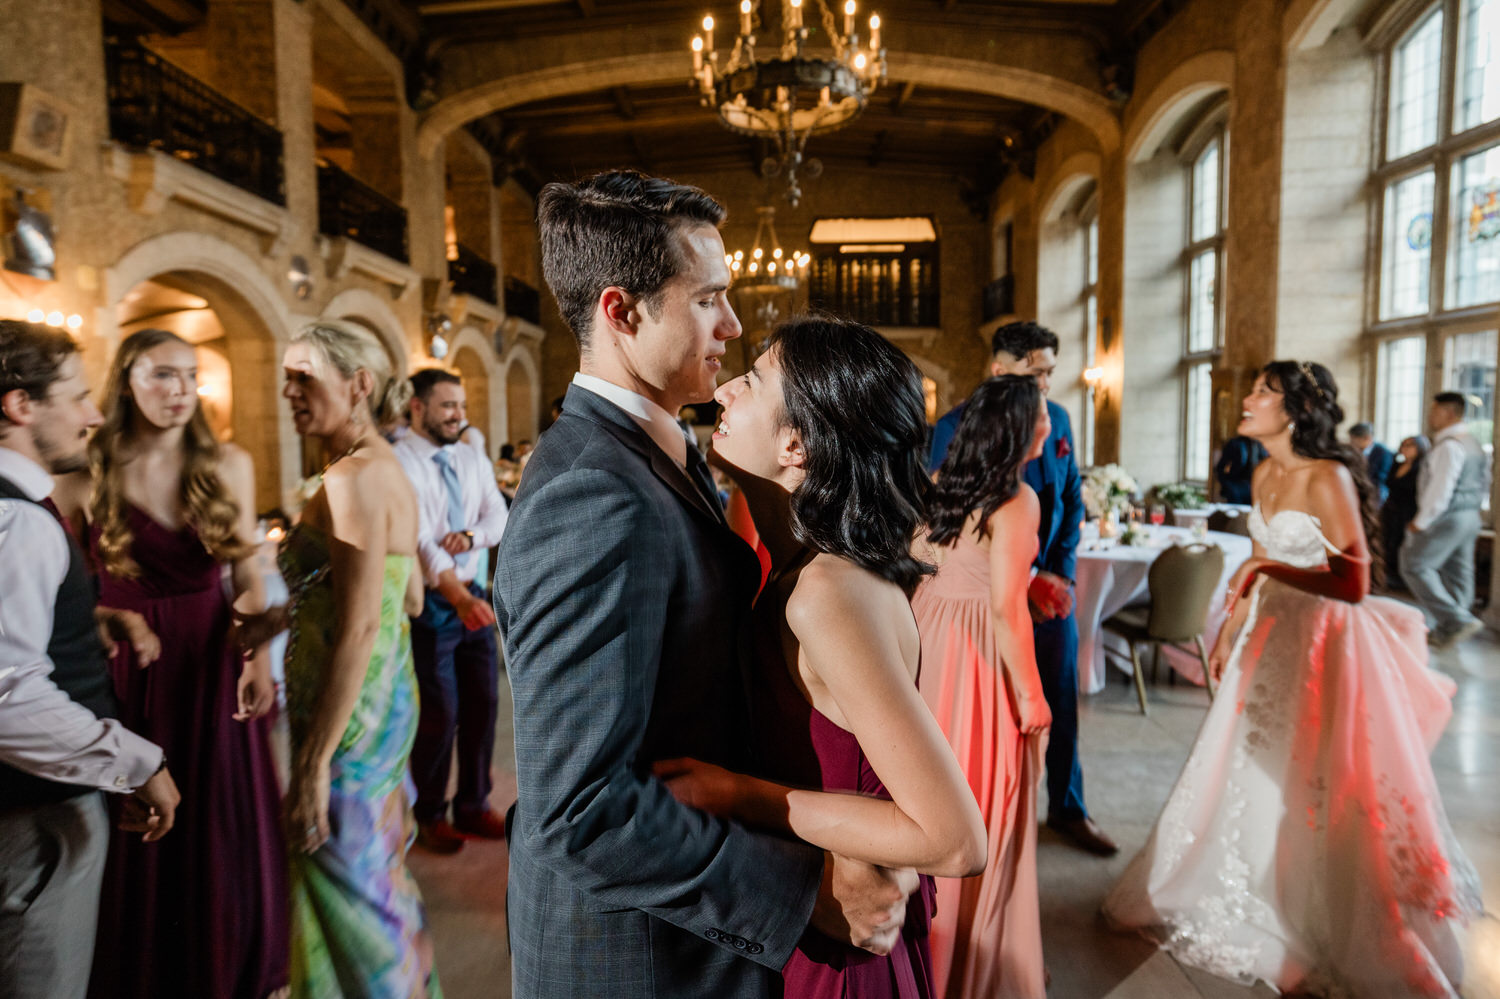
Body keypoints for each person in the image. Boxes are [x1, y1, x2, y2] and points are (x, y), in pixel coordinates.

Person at [494, 170, 918, 998]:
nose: (731, 323)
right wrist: (803, 892)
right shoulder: (590, 491)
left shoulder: (667, 449)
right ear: (621, 311)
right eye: (707, 300)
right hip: (645, 961)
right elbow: (580, 810)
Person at [1104, 360, 1481, 998]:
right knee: (1253, 764)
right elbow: (1260, 558)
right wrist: (1231, 625)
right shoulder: (1264, 470)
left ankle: (1327, 906)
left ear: (1296, 411)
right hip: (1270, 636)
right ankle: (1257, 886)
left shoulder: (1326, 476)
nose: (1247, 399)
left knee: (1318, 775)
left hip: (1323, 642)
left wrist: (1261, 574)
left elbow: (1354, 583)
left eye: (1262, 393)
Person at [654, 317, 986, 997]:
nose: (726, 391)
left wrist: (735, 793)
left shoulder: (828, 592)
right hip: (801, 923)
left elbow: (954, 837)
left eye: (754, 380)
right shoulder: (800, 572)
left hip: (843, 964)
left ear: (796, 443)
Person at [79, 328, 288, 999]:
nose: (181, 390)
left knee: (214, 818)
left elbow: (248, 576)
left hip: (206, 658)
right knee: (129, 818)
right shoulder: (90, 461)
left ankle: (219, 966)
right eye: (163, 375)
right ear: (127, 380)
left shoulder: (227, 461)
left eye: (191, 375)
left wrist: (255, 651)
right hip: (123, 660)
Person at [239, 319, 440, 997]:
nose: (289, 391)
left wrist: (312, 762)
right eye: (286, 378)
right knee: (375, 880)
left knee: (356, 899)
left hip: (350, 719)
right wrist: (284, 613)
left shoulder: (353, 478)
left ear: (357, 385)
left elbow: (358, 629)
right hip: (387, 703)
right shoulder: (386, 467)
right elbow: (407, 597)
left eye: (305, 377)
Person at [0, 319, 179, 999]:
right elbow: (8, 695)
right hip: (31, 812)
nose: (94, 413)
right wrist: (138, 761)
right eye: (76, 395)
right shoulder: (17, 519)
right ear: (21, 405)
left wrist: (82, 616)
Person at [929, 321, 1115, 856]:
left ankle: (1068, 807)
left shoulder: (1055, 419)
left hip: (1045, 585)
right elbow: (949, 525)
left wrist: (1056, 573)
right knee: (986, 717)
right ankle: (979, 820)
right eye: (1037, 371)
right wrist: (1020, 582)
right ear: (1000, 370)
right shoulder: (953, 426)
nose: (1047, 384)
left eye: (1052, 371)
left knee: (1057, 695)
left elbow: (1073, 497)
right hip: (986, 595)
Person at [915, 375, 1053, 999]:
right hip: (975, 655)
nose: (1050, 427)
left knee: (925, 795)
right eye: (1043, 417)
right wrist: (1031, 697)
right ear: (1019, 431)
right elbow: (1004, 609)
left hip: (928, 637)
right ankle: (975, 968)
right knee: (983, 801)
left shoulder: (941, 484)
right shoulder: (1016, 500)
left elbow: (932, 564)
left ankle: (925, 962)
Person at [394, 368, 509, 853]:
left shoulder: (471, 455)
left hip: (473, 592)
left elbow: (497, 516)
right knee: (441, 711)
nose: (458, 415)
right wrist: (458, 597)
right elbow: (419, 538)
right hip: (435, 604)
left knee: (484, 702)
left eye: (460, 405)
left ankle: (473, 804)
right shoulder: (400, 461)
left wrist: (471, 537)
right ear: (417, 407)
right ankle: (429, 813)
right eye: (447, 406)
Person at [1401, 391, 1489, 650]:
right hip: (1471, 515)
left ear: (1449, 413)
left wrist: (1421, 521)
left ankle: (1456, 620)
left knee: (1413, 564)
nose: (1430, 415)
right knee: (1459, 571)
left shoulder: (1450, 445)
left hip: (1448, 516)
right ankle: (1450, 626)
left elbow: (1440, 489)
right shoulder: (1471, 441)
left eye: (1434, 410)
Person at [1381, 435, 1429, 590]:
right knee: (1387, 542)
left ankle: (1402, 580)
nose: (1405, 449)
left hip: (1408, 511)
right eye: (1404, 446)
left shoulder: (1421, 468)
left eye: (1410, 446)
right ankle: (1388, 575)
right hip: (1391, 509)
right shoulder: (1396, 464)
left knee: (1402, 544)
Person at [1213, 433, 1267, 505]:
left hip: (1253, 485)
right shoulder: (1235, 443)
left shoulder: (1260, 444)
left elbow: (1265, 462)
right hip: (1236, 485)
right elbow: (1220, 467)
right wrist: (1227, 484)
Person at [1349, 422, 1394, 502]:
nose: (1351, 442)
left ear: (1367, 438)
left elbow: (1382, 477)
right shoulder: (1354, 451)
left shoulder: (1383, 453)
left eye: (1353, 439)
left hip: (1376, 492)